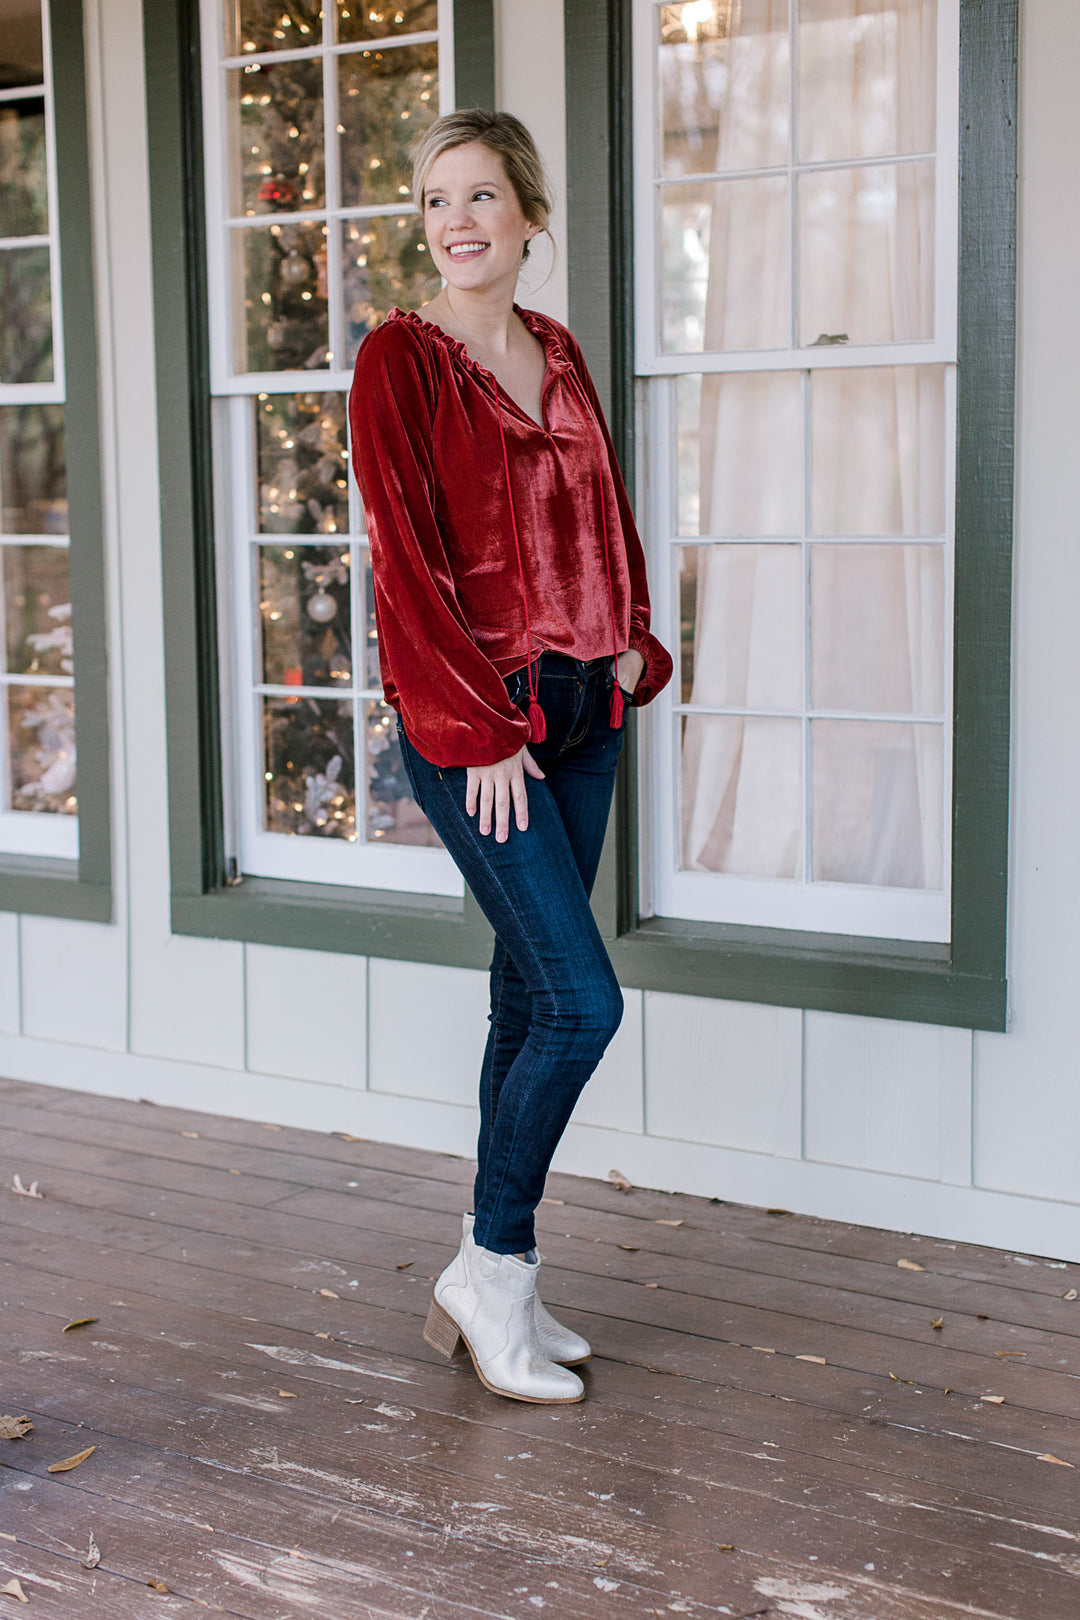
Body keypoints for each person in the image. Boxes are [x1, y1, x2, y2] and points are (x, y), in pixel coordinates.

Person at [349, 109, 672, 1406]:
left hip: (587, 708)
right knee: (584, 1003)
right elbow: (404, 559)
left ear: (529, 215)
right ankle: (495, 1265)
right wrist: (476, 726)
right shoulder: (401, 360)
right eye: (436, 200)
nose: (459, 221)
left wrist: (638, 636)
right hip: (484, 725)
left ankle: (493, 1272)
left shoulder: (558, 350)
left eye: (482, 195)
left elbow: (601, 508)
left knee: (528, 1000)